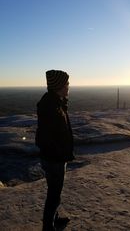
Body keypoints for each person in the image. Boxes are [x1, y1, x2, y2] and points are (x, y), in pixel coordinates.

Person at [35, 70, 75, 231]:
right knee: (54, 195)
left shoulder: (55, 102)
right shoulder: (51, 107)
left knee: (54, 192)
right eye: (66, 83)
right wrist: (59, 154)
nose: (69, 86)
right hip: (54, 158)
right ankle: (48, 227)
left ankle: (54, 219)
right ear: (59, 86)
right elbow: (48, 136)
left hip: (54, 156)